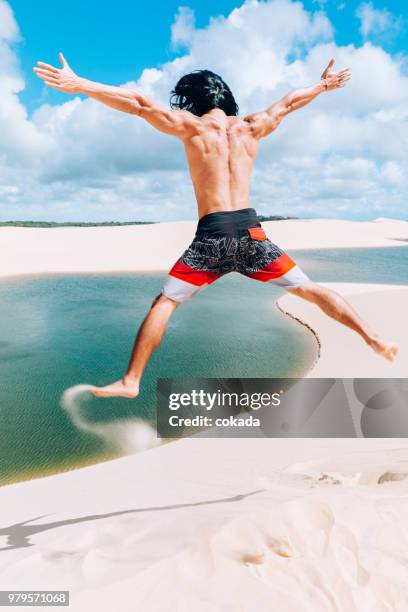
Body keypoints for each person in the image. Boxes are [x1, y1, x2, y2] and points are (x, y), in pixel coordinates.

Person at [34, 55, 398, 398]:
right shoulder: (253, 127)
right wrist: (321, 87)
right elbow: (288, 103)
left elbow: (139, 103)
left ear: (191, 100)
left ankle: (131, 381)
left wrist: (81, 84)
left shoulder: (191, 127)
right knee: (309, 289)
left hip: (212, 237)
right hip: (253, 234)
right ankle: (374, 338)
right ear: (229, 100)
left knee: (165, 303)